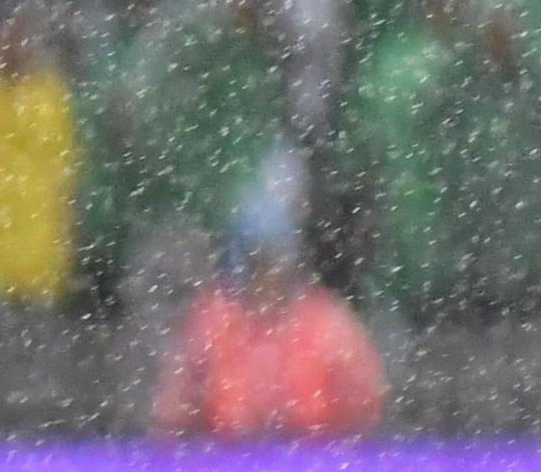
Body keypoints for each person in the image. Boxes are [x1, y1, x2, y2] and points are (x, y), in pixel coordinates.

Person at [153, 189, 384, 440]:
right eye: (254, 263)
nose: (265, 277)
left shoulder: (327, 324)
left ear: (290, 264)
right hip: (226, 467)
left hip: (316, 466)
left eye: (273, 262)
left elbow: (365, 410)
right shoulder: (212, 323)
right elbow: (172, 415)